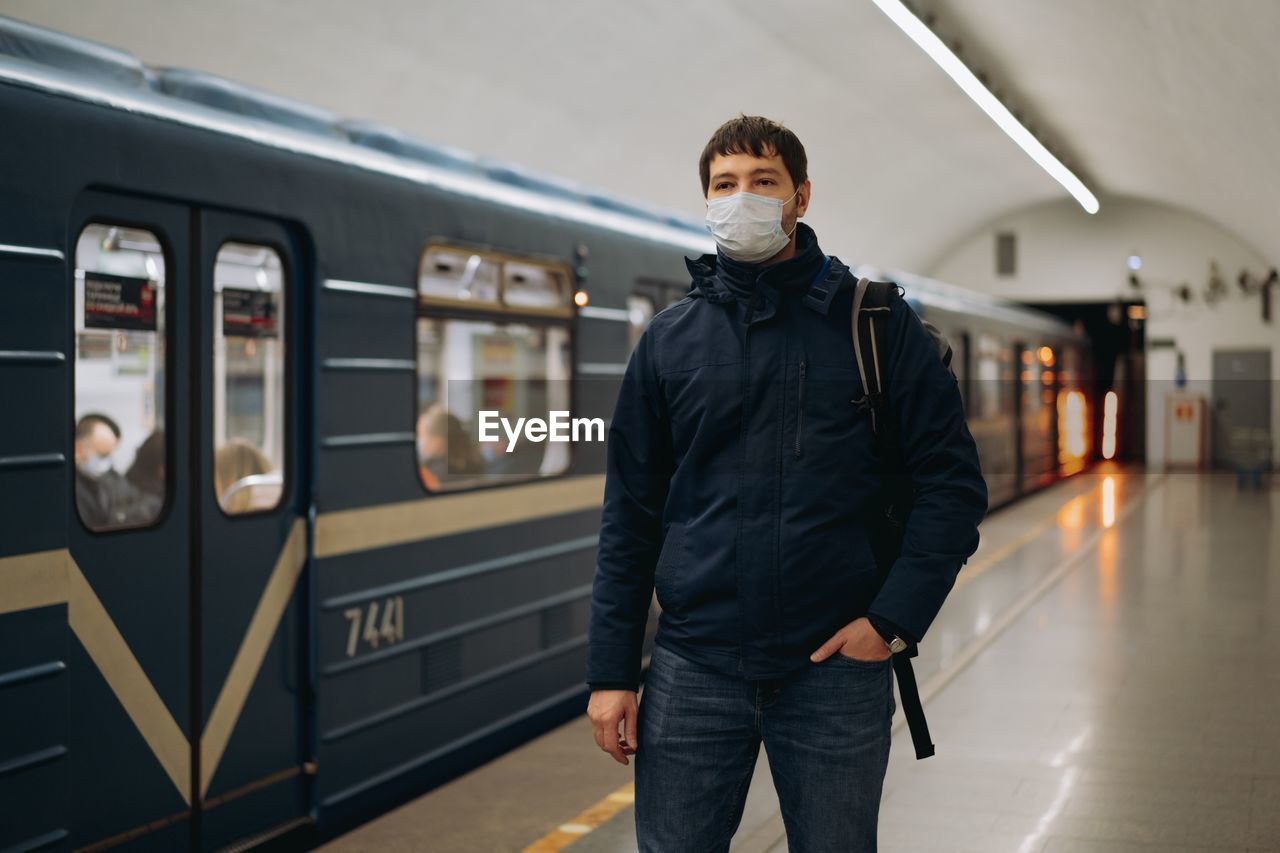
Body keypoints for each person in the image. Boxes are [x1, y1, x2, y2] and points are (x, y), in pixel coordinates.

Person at [585, 114, 988, 852]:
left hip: (833, 668)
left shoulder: (877, 325)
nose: (742, 198)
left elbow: (952, 485)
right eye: (724, 185)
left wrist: (892, 620)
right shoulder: (670, 343)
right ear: (706, 202)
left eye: (762, 181)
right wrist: (611, 672)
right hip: (693, 665)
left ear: (800, 196)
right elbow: (631, 515)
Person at [74, 412, 162, 530]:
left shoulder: (110, 478)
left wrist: (118, 516)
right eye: (102, 456)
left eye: (111, 455)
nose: (107, 463)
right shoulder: (72, 490)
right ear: (78, 448)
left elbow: (151, 503)